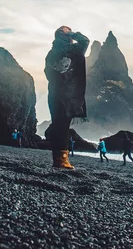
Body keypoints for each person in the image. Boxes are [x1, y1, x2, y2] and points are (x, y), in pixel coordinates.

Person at [45, 26, 90, 169]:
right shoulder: (73, 51)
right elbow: (85, 41)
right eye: (68, 33)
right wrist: (72, 33)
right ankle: (62, 160)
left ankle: (57, 160)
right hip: (68, 95)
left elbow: (48, 73)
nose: (71, 37)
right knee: (63, 127)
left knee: (58, 126)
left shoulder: (51, 54)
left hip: (54, 94)